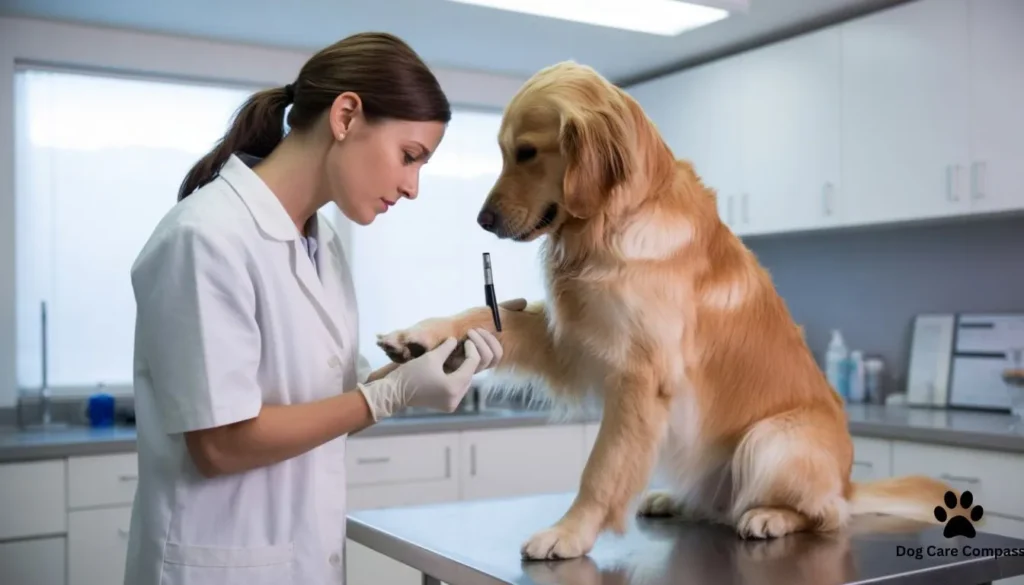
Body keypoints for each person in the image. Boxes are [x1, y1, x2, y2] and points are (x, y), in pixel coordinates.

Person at [123, 32, 504, 585]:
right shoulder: (205, 237)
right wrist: (386, 397)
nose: (413, 186)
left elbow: (317, 412)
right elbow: (220, 445)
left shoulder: (321, 242)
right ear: (346, 115)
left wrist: (410, 376)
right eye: (409, 156)